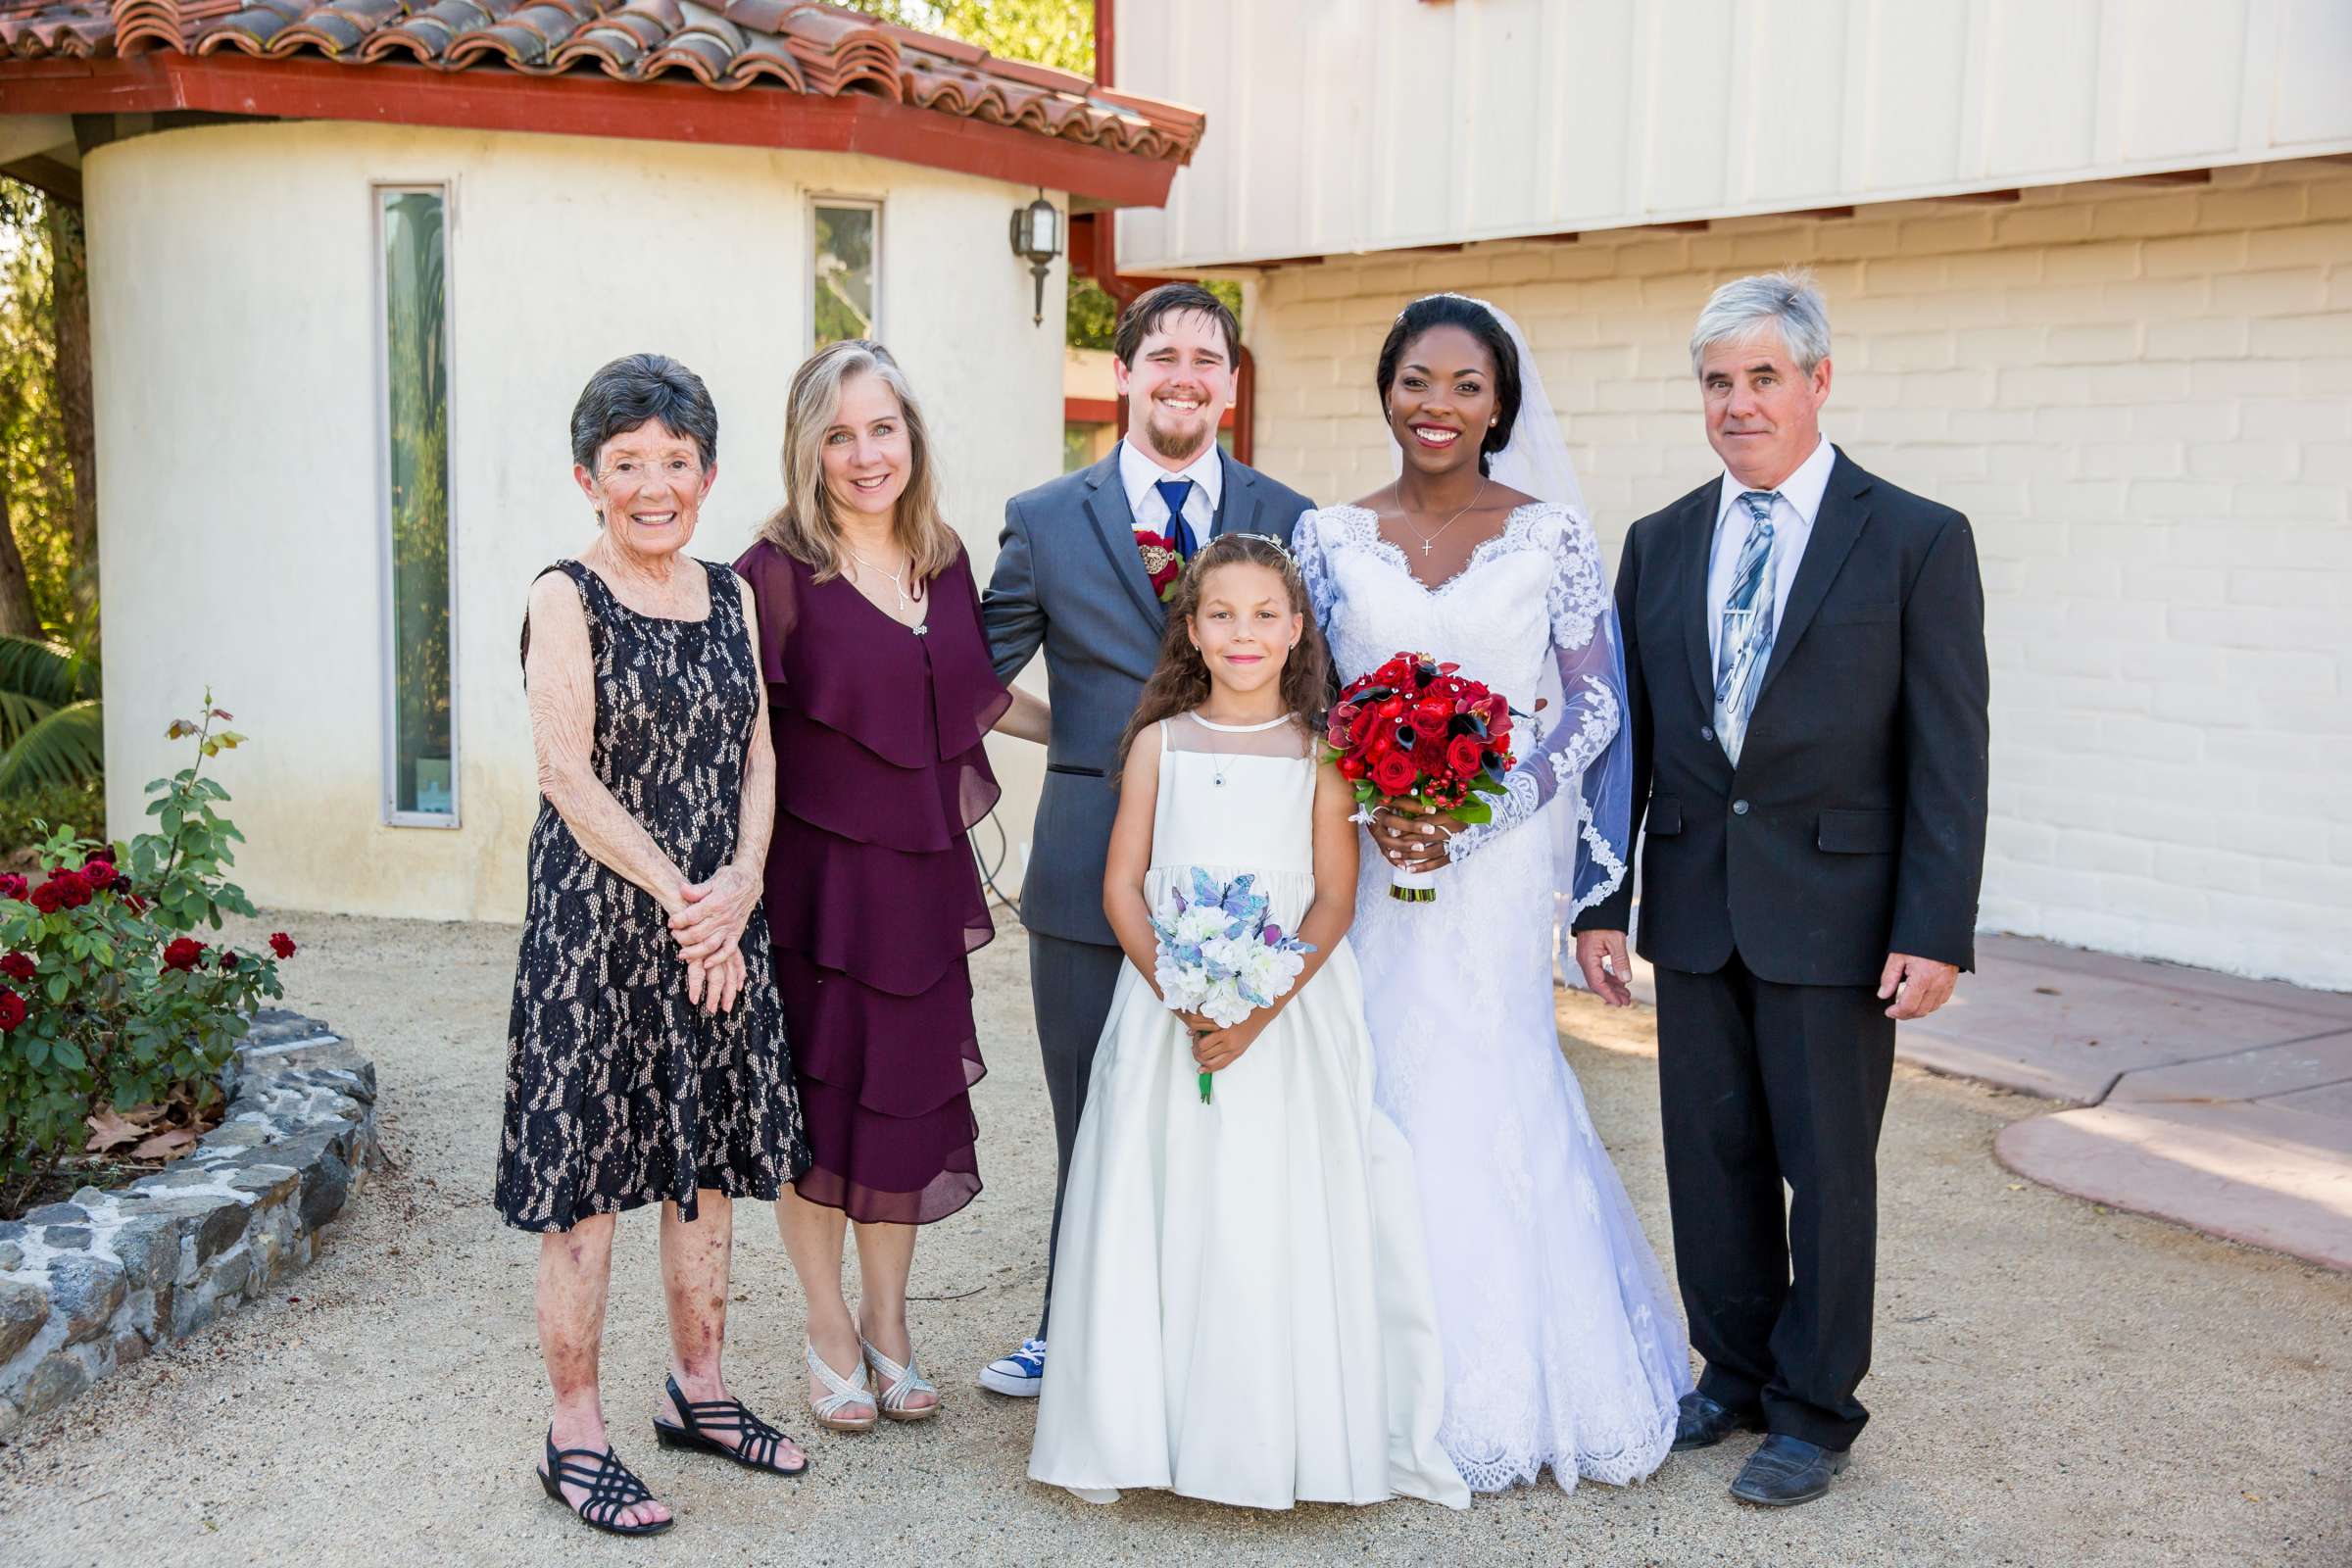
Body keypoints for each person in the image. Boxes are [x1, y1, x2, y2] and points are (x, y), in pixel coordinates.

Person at [1574, 270, 1990, 1508]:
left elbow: (1949, 752)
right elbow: (1627, 748)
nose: (1740, 403)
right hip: (1698, 907)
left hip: (1839, 916)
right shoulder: (1658, 543)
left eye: (1764, 377)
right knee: (1712, 1155)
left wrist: (1934, 927)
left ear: (1818, 381)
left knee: (1827, 1164)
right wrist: (1603, 901)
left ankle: (1816, 1407)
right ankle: (1736, 1370)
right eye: (1718, 381)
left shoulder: (1915, 537)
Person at [1291, 293, 1690, 1494]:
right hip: (1367, 853)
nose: (1439, 406)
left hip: (1501, 862)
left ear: (1502, 404)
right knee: (1371, 1074)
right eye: (1418, 380)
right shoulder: (1327, 536)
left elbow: (1592, 704)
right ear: (1387, 389)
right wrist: (1374, 805)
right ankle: (1362, 1374)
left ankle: (1511, 1381)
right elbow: (1305, 695)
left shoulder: (1553, 536)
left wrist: (1481, 816)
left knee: (1489, 1072)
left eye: (1467, 385)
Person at [1026, 533, 1468, 1512]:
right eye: (1221, 613)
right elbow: (1121, 885)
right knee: (1169, 1197)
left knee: (1270, 1208)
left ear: (1298, 627)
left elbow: (1333, 904)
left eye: (1266, 614)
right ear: (1190, 627)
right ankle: (1151, 1427)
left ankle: (1273, 1436)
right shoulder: (1159, 743)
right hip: (1165, 1016)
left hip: (1290, 1022)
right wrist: (1182, 992)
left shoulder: (1323, 755)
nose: (1243, 633)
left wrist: (1257, 1009)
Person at [978, 283, 1314, 1396]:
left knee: (1235, 1112)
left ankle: (1212, 1349)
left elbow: (1322, 684)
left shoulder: (1291, 515)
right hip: (1086, 861)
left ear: (1228, 380)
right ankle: (1071, 1327)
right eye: (1160, 353)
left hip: (1254, 858)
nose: (1183, 373)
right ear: (1123, 373)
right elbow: (972, 681)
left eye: (1205, 357)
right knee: (1095, 1108)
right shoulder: (1042, 516)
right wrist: (1078, 738)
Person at [502, 353, 812, 1538]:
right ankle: (574, 1435)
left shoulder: (732, 592)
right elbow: (564, 774)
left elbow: (759, 755)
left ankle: (702, 1391)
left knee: (709, 1170)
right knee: (585, 1192)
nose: (652, 485)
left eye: (675, 463)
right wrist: (696, 903)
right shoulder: (563, 596)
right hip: (600, 935)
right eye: (627, 463)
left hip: (716, 924)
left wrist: (741, 883)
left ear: (708, 473)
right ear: (588, 477)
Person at [736, 340, 1048, 1434]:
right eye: (839, 434)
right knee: (820, 1113)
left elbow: (975, 694)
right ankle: (827, 1331)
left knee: (903, 1103)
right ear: (807, 447)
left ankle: (890, 1325)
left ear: (911, 435)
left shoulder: (944, 556)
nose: (866, 454)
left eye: (883, 428)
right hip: (814, 897)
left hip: (917, 882)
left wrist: (1102, 735)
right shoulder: (772, 572)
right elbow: (745, 744)